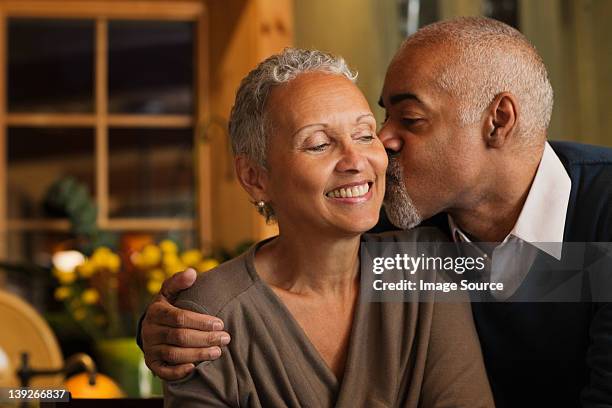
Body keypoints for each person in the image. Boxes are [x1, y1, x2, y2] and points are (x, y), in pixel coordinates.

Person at [141, 17, 612, 407]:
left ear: (498, 121)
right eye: (380, 121)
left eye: (409, 120)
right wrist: (164, 327)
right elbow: (286, 272)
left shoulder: (599, 219)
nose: (379, 147)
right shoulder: (397, 218)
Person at [163, 48, 494, 407]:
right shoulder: (209, 315)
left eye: (366, 135)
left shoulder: (423, 266)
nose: (355, 161)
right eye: (319, 144)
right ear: (255, 177)